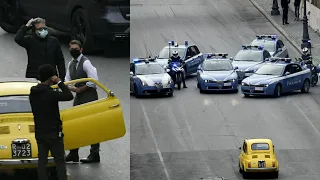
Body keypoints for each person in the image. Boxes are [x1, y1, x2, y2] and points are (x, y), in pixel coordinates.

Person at [29, 64, 74, 180]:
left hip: (40, 132)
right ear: (51, 78)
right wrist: (59, 82)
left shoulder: (33, 92)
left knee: (42, 162)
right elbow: (69, 95)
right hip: (53, 133)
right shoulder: (50, 93)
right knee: (59, 161)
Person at [64, 40, 100, 163]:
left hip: (89, 96)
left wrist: (80, 89)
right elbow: (67, 79)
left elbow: (94, 80)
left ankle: (94, 154)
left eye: (75, 48)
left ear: (81, 49)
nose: (73, 50)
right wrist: (71, 87)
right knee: (75, 125)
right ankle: (74, 153)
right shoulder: (71, 64)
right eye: (71, 48)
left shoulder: (86, 63)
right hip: (78, 97)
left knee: (92, 125)